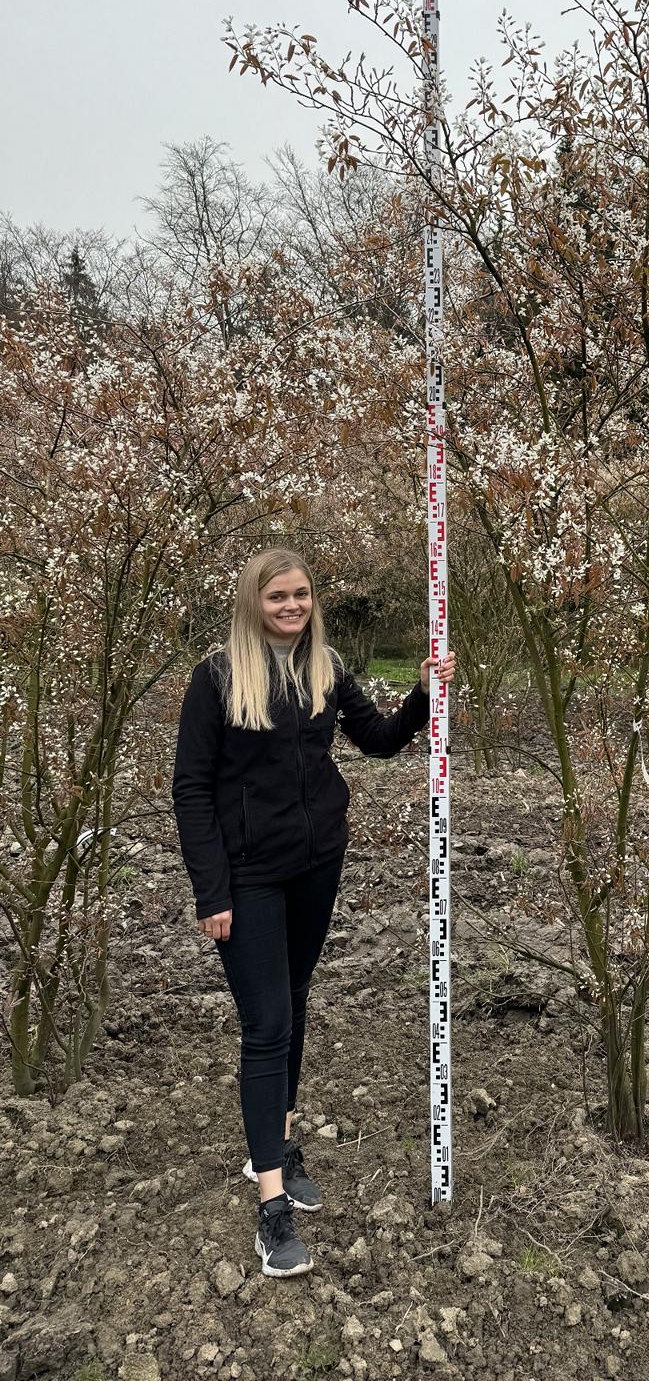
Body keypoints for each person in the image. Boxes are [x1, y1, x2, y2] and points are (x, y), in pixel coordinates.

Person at [171, 547, 455, 1277]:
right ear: (252, 603)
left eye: (300, 596)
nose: (291, 607)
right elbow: (192, 790)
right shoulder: (215, 677)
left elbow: (381, 742)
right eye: (277, 598)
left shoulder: (324, 667)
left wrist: (423, 696)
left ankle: (280, 1140)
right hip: (247, 876)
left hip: (315, 863)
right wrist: (212, 892)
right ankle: (271, 1207)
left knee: (293, 1004)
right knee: (266, 1025)